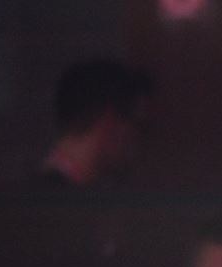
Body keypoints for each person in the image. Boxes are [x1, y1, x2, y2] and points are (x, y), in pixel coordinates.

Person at [37, 58, 154, 188]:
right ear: (109, 121)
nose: (140, 140)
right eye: (139, 124)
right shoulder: (66, 202)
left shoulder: (33, 196)